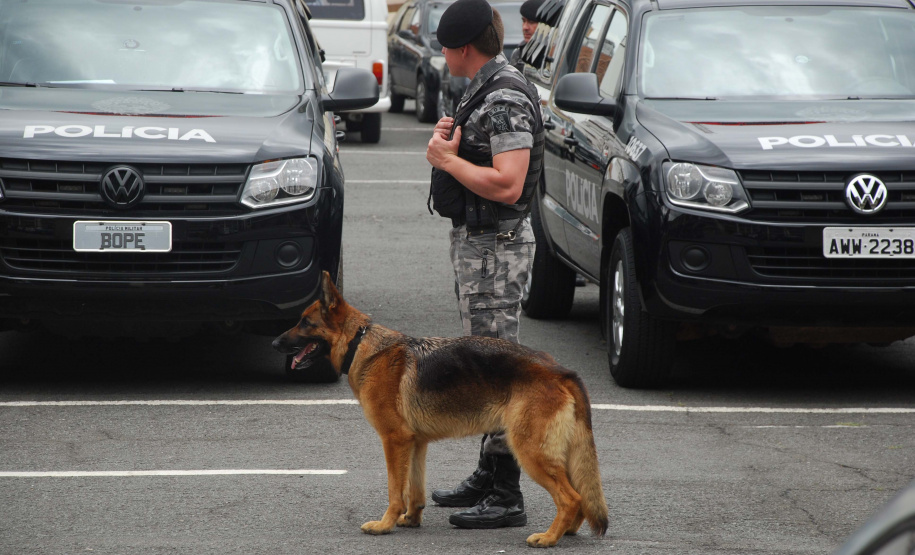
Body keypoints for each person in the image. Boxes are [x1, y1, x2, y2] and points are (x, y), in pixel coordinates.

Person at [424, 0, 544, 530]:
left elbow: (509, 183)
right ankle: (488, 471)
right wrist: (451, 144)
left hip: (497, 248)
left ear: (464, 48)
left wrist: (448, 160)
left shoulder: (503, 97)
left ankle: (506, 493)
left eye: (446, 48)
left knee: (496, 370)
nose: (443, 56)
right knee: (482, 360)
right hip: (483, 246)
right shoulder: (487, 86)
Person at [509, 0, 544, 70]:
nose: (525, 27)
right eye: (523, 21)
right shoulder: (519, 53)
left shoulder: (554, 52)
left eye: (531, 22)